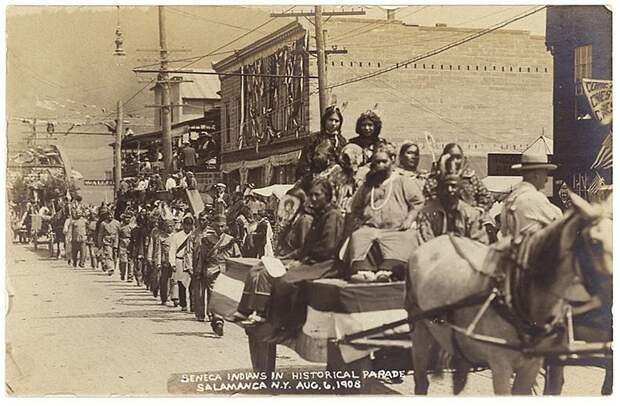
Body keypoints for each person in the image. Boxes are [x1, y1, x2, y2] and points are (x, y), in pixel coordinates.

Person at [227, 178, 343, 325]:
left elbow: (326, 248)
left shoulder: (329, 216)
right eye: (311, 195)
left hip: (322, 264)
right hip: (309, 260)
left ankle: (264, 313)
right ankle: (245, 310)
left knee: (270, 274)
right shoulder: (317, 217)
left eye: (317, 195)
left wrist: (298, 262)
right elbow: (305, 248)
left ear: (326, 196)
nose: (313, 199)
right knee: (257, 269)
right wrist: (286, 258)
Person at [346, 143, 425, 282]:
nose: (380, 165)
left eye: (384, 161)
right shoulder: (368, 185)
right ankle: (364, 271)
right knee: (358, 236)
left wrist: (409, 219)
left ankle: (388, 271)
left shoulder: (402, 181)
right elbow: (355, 206)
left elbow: (418, 203)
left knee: (407, 238)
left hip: (397, 229)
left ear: (392, 161)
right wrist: (359, 220)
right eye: (377, 162)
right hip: (371, 228)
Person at [416, 156, 489, 244]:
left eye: (454, 186)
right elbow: (426, 243)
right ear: (439, 188)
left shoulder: (471, 214)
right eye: (446, 186)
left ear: (460, 189)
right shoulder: (427, 214)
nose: (449, 190)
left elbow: (479, 244)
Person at [499, 151, 562, 243]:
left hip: (510, 251)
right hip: (531, 253)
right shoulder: (535, 198)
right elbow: (559, 221)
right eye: (545, 174)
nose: (546, 179)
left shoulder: (511, 198)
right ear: (536, 175)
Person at [195, 213, 241, 336]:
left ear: (225, 226)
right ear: (213, 226)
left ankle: (216, 319)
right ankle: (218, 320)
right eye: (218, 226)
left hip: (226, 272)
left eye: (222, 226)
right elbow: (202, 257)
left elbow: (238, 258)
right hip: (211, 270)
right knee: (214, 294)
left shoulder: (231, 241)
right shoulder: (206, 240)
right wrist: (199, 271)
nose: (220, 229)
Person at [424, 143, 492, 211]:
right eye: (451, 157)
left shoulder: (471, 178)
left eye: (458, 158)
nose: (455, 161)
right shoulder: (433, 180)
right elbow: (427, 201)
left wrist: (478, 210)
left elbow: (487, 198)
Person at [296, 105, 347, 179]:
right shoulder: (314, 139)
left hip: (337, 179)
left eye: (336, 121)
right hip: (316, 178)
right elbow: (305, 163)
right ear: (324, 121)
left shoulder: (342, 141)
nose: (333, 123)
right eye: (330, 120)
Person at [188, 210, 212, 322]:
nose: (202, 222)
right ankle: (200, 314)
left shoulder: (212, 233)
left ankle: (211, 313)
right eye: (200, 220)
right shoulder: (193, 234)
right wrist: (189, 267)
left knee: (211, 290)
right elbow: (188, 251)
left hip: (210, 265)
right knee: (199, 291)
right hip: (197, 265)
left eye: (204, 220)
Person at [168, 214, 194, 312]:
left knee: (192, 284)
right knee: (181, 284)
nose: (188, 227)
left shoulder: (194, 235)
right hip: (180, 261)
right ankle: (183, 304)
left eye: (190, 225)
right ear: (183, 225)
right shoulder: (177, 236)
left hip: (191, 261)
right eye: (186, 224)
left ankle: (193, 305)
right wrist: (172, 263)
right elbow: (172, 250)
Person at [118, 212, 134, 281]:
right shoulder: (120, 226)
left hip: (131, 243)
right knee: (123, 260)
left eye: (129, 218)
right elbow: (117, 236)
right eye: (126, 217)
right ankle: (122, 273)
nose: (127, 219)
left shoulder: (132, 227)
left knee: (130, 260)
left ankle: (130, 275)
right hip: (122, 243)